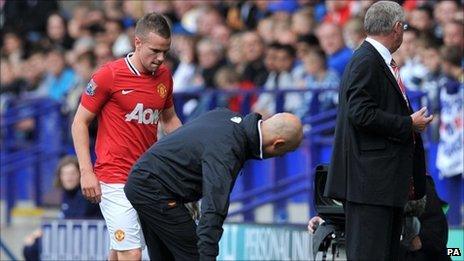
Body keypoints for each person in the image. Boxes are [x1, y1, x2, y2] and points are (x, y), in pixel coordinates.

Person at [323, 1, 434, 260]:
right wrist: (408, 123)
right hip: (370, 185)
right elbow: (360, 113)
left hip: (380, 185)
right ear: (397, 28)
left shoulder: (371, 59)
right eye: (404, 28)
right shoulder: (366, 61)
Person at [71, 12, 182, 261]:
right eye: (155, 50)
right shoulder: (109, 75)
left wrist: (189, 149)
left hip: (146, 176)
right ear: (137, 42)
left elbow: (169, 119)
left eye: (165, 51)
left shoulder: (164, 76)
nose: (161, 58)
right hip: (113, 177)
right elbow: (79, 122)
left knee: (120, 249)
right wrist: (86, 171)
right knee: (132, 253)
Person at [124, 108, 303, 260]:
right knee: (195, 254)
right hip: (153, 188)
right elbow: (214, 208)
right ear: (278, 144)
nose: (279, 156)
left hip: (145, 182)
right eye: (282, 153)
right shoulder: (229, 148)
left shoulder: (225, 116)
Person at [23, 155, 102, 261]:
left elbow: (74, 224)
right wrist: (40, 231)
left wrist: (46, 231)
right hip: (69, 239)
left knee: (31, 249)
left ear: (80, 175)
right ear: (60, 177)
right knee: (31, 245)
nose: (69, 178)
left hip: (85, 243)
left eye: (72, 174)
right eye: (65, 174)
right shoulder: (67, 194)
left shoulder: (84, 195)